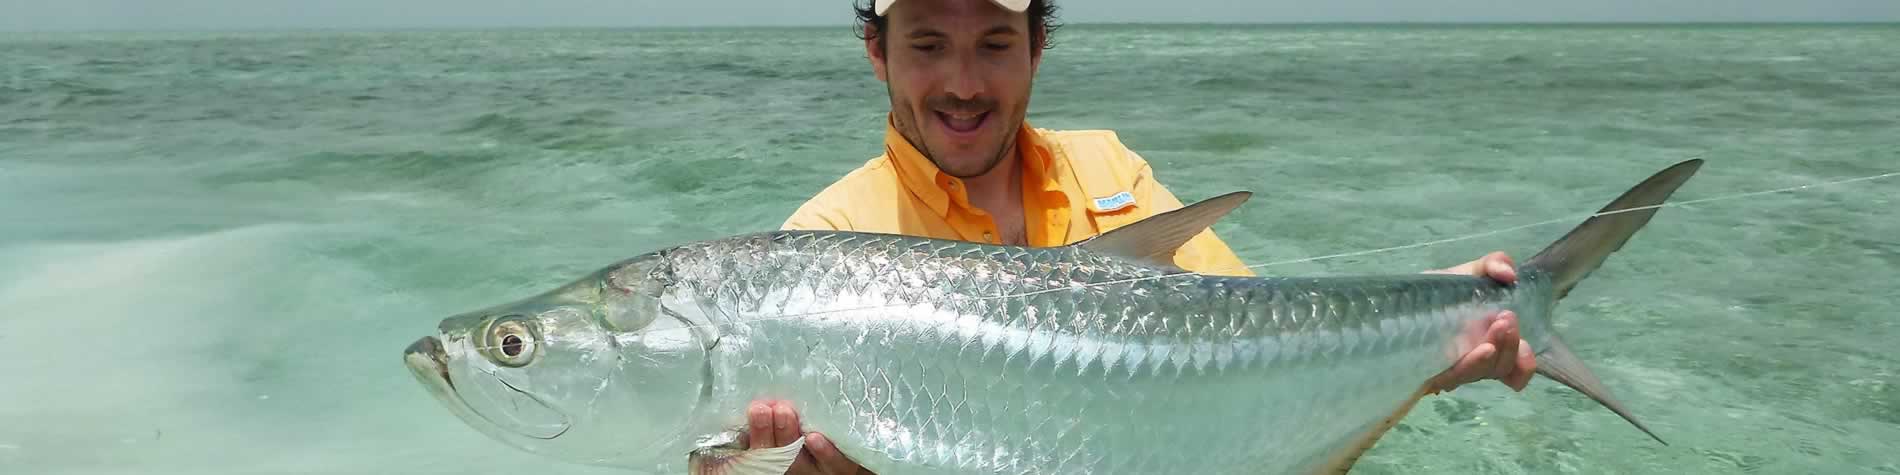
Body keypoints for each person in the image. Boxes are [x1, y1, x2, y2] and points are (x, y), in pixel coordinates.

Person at [753, 1, 1537, 473]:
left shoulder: (1110, 165)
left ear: (1037, 48)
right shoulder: (820, 248)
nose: (962, 82)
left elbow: (1262, 345)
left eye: (994, 43)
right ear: (876, 52)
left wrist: (1441, 322)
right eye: (927, 45)